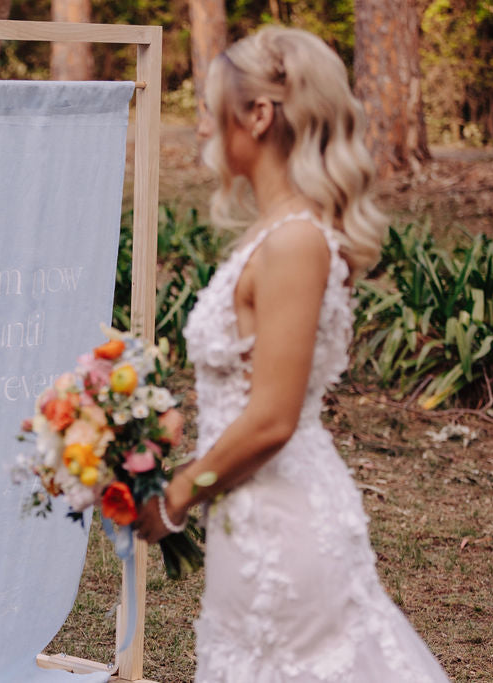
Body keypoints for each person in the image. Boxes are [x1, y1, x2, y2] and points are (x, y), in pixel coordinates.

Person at [133, 26, 451, 682]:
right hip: (248, 517)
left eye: (210, 104)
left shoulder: (297, 243)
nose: (200, 124)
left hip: (284, 522)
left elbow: (274, 418)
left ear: (259, 113)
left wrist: (177, 496)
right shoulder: (277, 234)